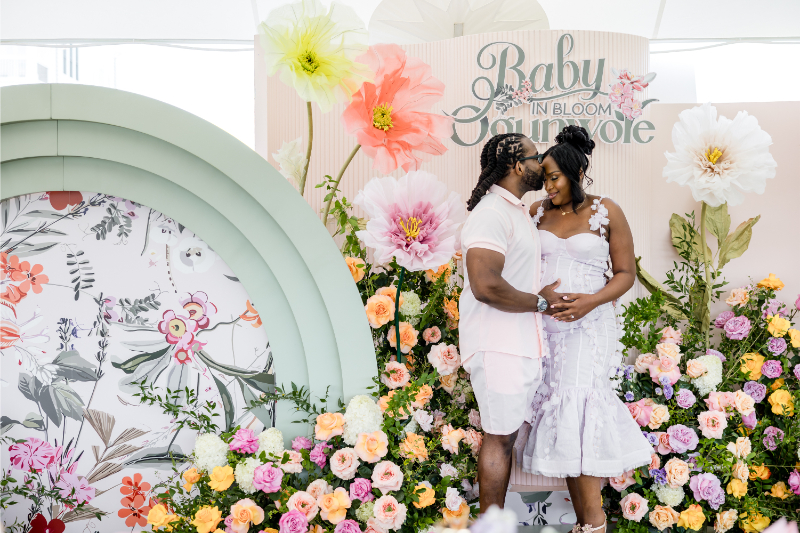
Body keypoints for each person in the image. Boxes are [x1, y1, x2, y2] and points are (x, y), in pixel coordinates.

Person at [517, 125, 652, 533]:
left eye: (554, 177)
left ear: (576, 172)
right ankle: (586, 524)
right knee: (563, 417)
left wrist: (591, 300)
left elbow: (626, 274)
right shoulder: (535, 212)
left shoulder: (606, 210)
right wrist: (536, 296)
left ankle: (593, 524)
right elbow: (519, 268)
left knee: (579, 410)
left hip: (590, 327)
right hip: (545, 325)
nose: (547, 185)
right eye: (543, 178)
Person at [459, 132, 562, 512]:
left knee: (505, 437)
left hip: (515, 343)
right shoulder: (491, 213)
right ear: (518, 166)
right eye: (536, 158)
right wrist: (540, 302)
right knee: (499, 439)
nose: (543, 165)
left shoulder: (516, 210)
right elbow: (486, 285)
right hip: (498, 342)